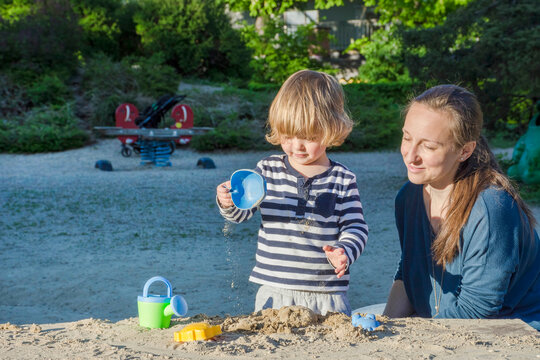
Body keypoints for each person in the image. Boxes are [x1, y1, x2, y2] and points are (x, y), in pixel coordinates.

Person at [383, 84, 540, 331]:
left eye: (429, 146)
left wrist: (408, 341)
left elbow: (478, 308)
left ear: (465, 150)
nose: (410, 155)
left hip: (513, 329)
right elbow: (409, 273)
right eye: (407, 137)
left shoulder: (491, 208)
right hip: (442, 324)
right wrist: (384, 328)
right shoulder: (407, 197)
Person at [216, 70, 368, 316]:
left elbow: (356, 227)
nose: (296, 145)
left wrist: (344, 251)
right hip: (275, 292)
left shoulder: (343, 178)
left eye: (308, 137)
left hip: (326, 294)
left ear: (332, 128)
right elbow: (240, 215)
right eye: (288, 135)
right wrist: (228, 201)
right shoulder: (267, 171)